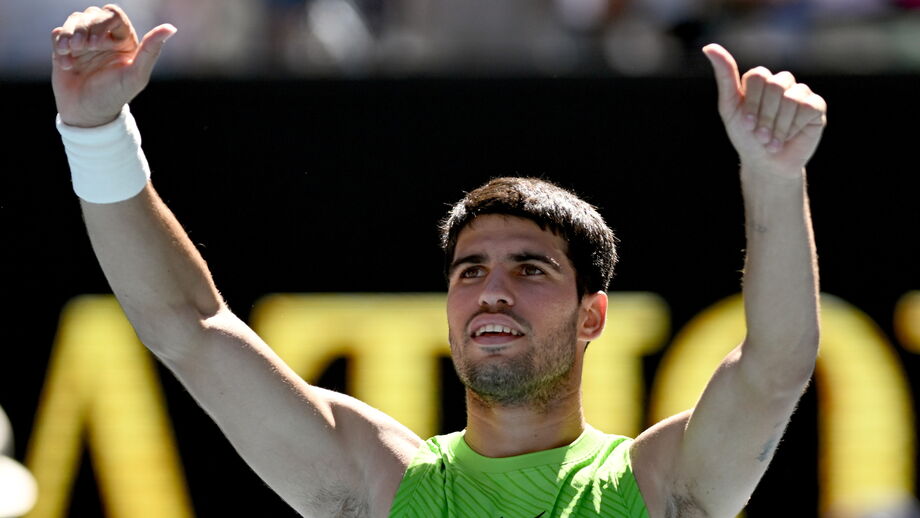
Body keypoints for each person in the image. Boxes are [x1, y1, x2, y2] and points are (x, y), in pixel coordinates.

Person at [50, 5, 825, 517]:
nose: (492, 292)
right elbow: (189, 325)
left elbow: (777, 362)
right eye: (469, 271)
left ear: (594, 314)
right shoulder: (378, 485)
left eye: (531, 269)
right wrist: (95, 133)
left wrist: (775, 174)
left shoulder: (660, 487)